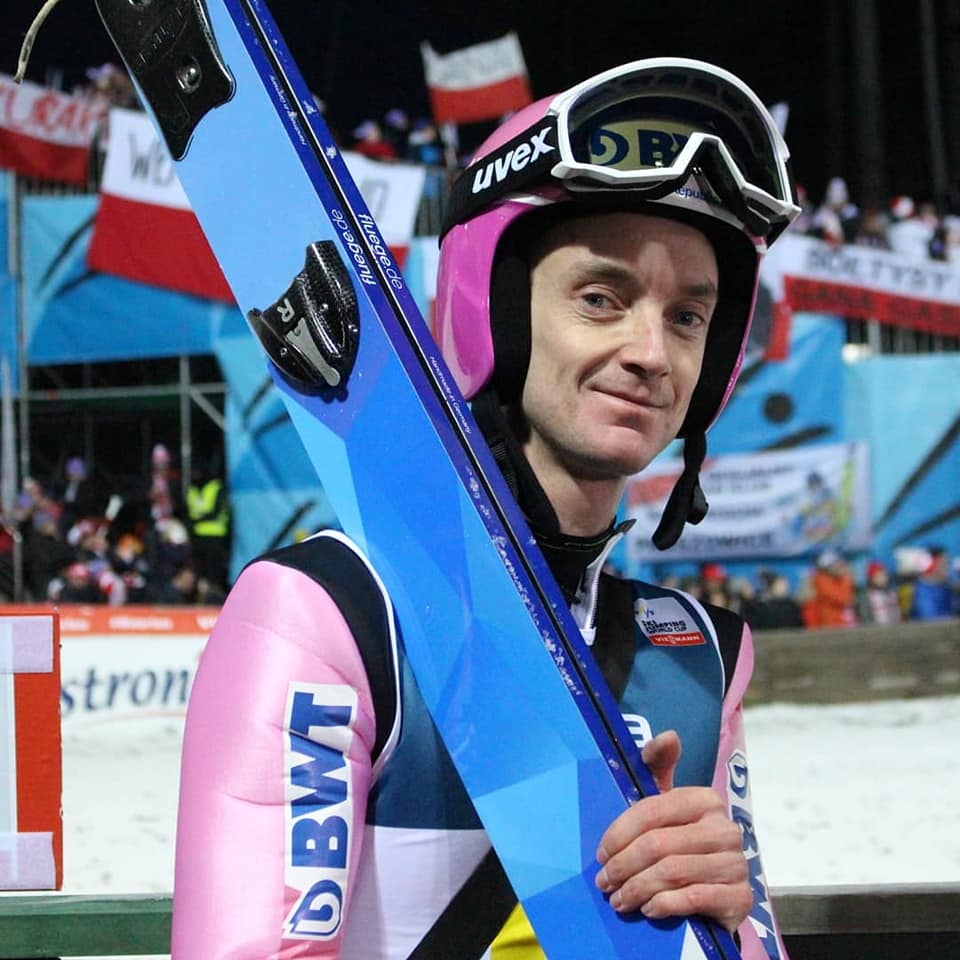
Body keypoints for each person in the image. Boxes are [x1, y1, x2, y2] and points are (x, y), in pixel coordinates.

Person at [172, 58, 800, 959]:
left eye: (688, 318)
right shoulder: (331, 615)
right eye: (601, 299)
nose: (651, 353)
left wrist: (720, 928)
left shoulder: (699, 657)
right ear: (493, 311)